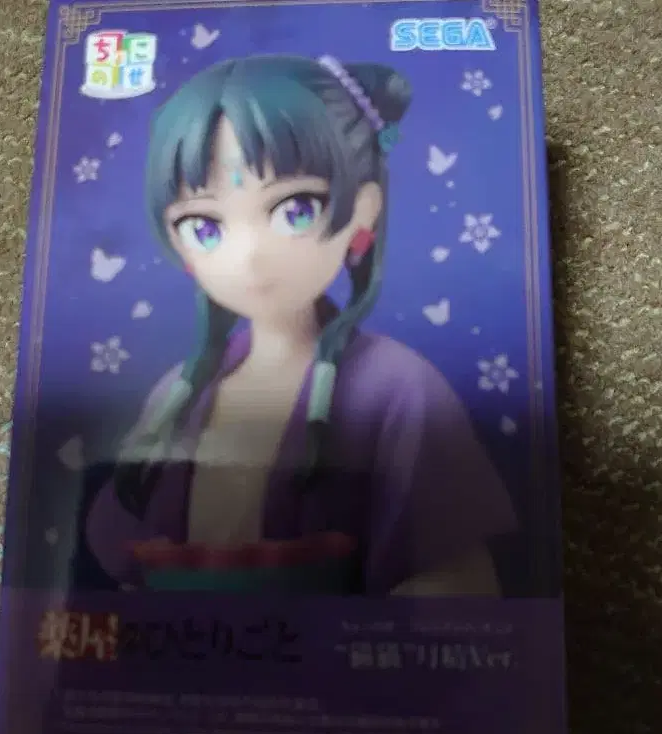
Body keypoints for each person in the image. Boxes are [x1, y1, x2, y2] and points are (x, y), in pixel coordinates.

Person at [86, 53, 516, 596]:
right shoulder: (176, 394)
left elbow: (457, 586)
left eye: (295, 210)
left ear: (364, 210)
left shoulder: (400, 388)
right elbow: (128, 580)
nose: (250, 256)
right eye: (203, 226)